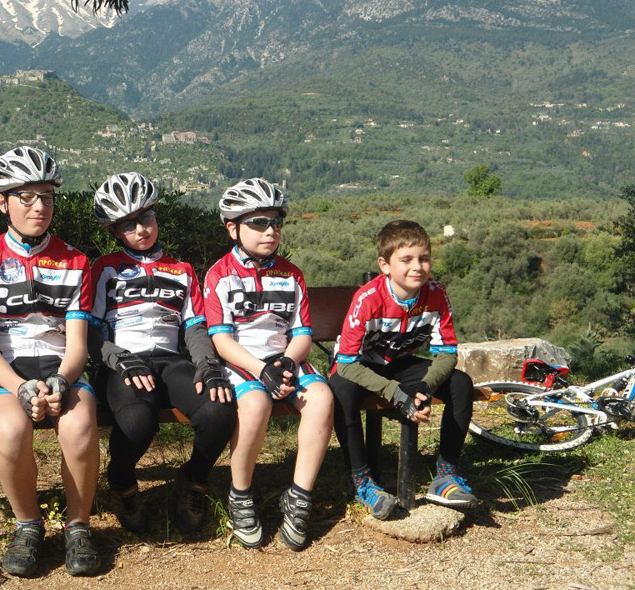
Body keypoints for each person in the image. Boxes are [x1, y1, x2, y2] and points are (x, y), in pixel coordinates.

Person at [0, 146, 100, 577]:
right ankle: (28, 525)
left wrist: (62, 381)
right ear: (2, 202)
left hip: (61, 367)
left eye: (46, 196)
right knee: (11, 430)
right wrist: (19, 387)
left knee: (79, 426)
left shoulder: (76, 262)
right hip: (6, 372)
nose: (39, 206)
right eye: (26, 197)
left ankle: (78, 526)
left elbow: (77, 346)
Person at [89, 172, 237, 535]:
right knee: (137, 421)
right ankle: (122, 483)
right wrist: (117, 358)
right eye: (127, 225)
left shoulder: (182, 271)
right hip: (123, 364)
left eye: (145, 218)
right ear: (114, 231)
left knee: (219, 407)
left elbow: (195, 327)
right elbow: (89, 331)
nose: (140, 229)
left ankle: (194, 480)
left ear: (156, 215)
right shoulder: (104, 269)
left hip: (170, 361)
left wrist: (208, 365)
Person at [203, 178, 334, 551]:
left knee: (322, 398)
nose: (270, 230)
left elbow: (302, 333)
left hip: (285, 357)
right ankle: (240, 494)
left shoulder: (292, 274)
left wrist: (288, 361)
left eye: (276, 222)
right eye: (259, 222)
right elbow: (222, 341)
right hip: (241, 361)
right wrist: (263, 371)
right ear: (232, 228)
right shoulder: (219, 275)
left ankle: (299, 497)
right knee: (256, 404)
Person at [329, 219, 478, 520]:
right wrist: (396, 394)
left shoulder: (436, 294)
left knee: (460, 383)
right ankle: (362, 481)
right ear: (385, 265)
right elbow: (345, 364)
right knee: (341, 393)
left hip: (398, 364)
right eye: (406, 260)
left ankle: (445, 475)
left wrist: (424, 386)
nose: (417, 267)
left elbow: (447, 353)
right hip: (357, 366)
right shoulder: (368, 299)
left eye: (424, 258)